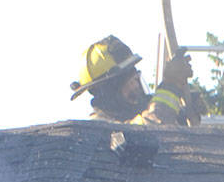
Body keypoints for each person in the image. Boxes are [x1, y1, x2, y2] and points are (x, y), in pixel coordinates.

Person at [69, 36, 203, 126]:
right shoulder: (99, 127)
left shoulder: (136, 112)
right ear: (108, 91)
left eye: (136, 79)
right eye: (130, 82)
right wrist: (170, 86)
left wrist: (180, 115)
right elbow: (147, 129)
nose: (136, 86)